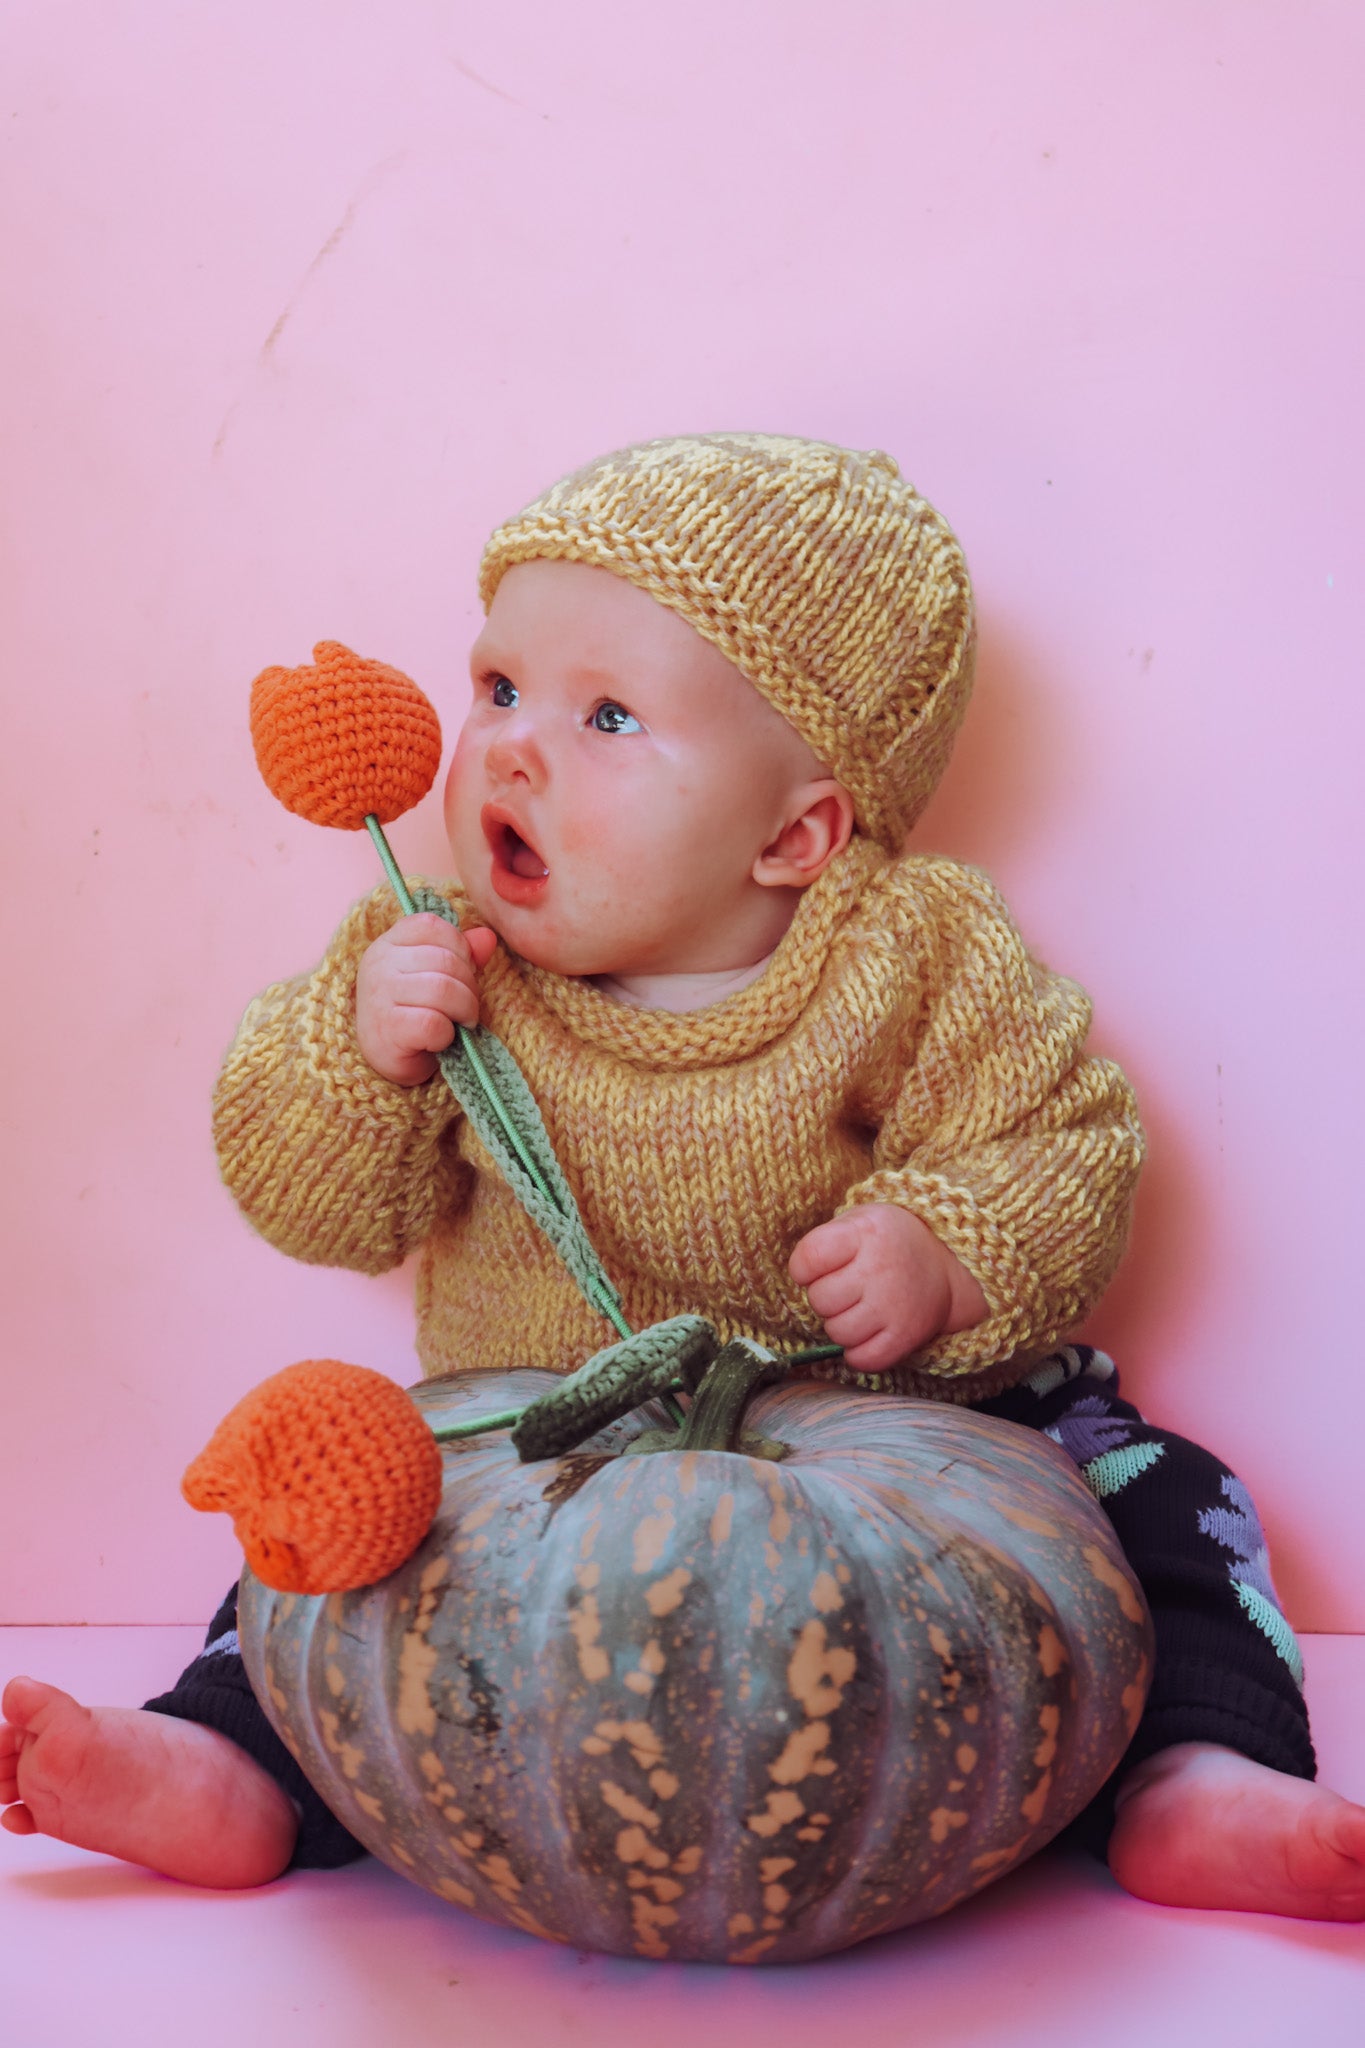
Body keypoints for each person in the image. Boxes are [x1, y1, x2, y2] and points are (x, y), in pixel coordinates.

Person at [4, 435, 1363, 1918]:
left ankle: (1194, 1769)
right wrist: (360, 1055)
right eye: (499, 687)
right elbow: (311, 1202)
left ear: (795, 835)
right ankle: (231, 1762)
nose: (512, 747)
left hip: (906, 1450)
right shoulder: (433, 963)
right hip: (540, 1449)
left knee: (1163, 1503)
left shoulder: (909, 957)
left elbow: (1059, 1141)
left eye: (606, 717)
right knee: (354, 1522)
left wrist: (943, 1249)